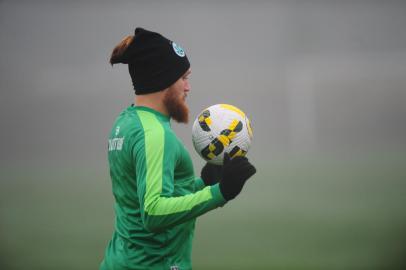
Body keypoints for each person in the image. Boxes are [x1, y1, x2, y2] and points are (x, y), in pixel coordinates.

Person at [100, 27, 256, 270]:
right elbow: (153, 212)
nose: (188, 87)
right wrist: (220, 192)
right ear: (162, 80)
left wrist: (201, 184)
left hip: (120, 261)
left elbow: (138, 200)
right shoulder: (154, 134)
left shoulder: (125, 123)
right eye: (183, 78)